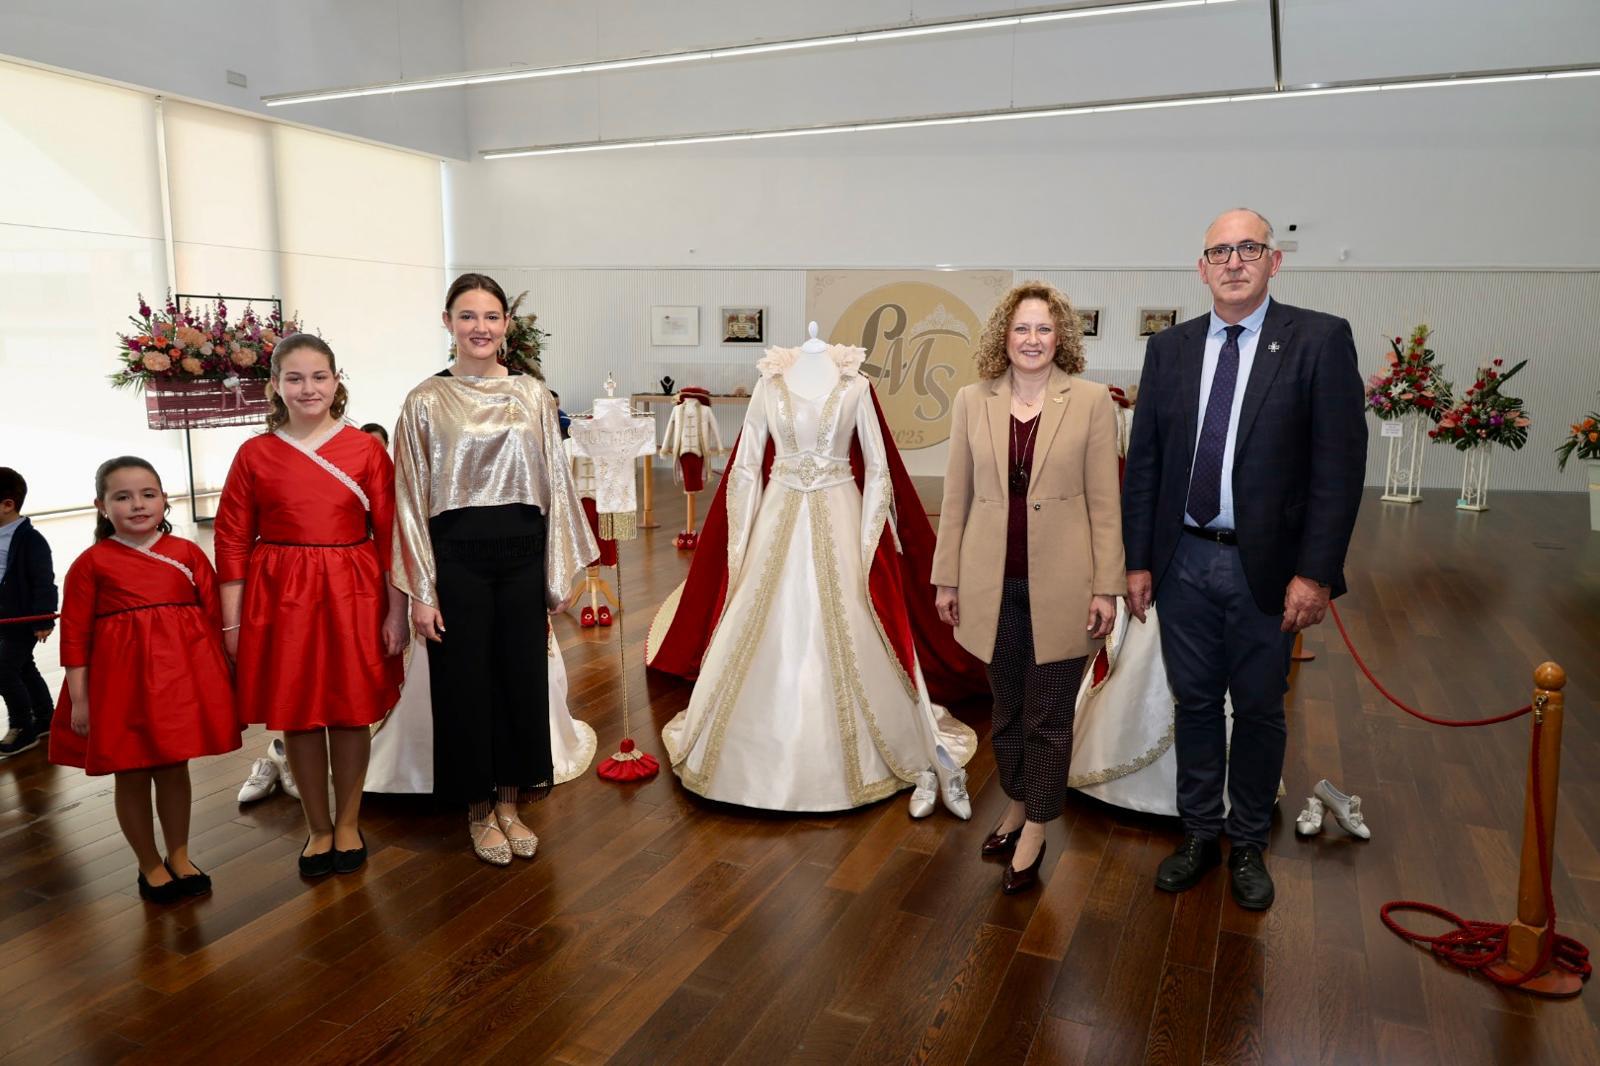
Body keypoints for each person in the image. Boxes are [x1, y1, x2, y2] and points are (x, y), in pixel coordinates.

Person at [1122, 208, 1366, 910]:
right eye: (1220, 252)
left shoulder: (1318, 340)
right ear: (1201, 268)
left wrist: (1315, 574)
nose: (1233, 262)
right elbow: (1146, 464)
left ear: (1274, 261)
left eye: (1248, 249)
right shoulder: (1170, 350)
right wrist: (1138, 561)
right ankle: (1200, 832)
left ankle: (1250, 840)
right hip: (1182, 563)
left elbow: (1338, 471)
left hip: (1269, 571)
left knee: (1259, 710)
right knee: (1196, 704)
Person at [659, 336, 977, 816]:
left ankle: (896, 755)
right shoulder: (770, 382)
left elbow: (878, 467)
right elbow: (745, 466)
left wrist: (870, 538)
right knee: (764, 618)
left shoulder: (855, 383)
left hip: (840, 509)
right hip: (777, 512)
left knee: (851, 621)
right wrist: (740, 540)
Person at [392, 272, 596, 866]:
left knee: (520, 683)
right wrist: (421, 591)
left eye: (490, 316)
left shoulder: (532, 395)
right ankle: (478, 810)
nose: (479, 328)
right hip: (457, 560)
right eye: (467, 316)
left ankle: (510, 802)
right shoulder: (424, 400)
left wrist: (556, 570)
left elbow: (556, 482)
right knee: (464, 687)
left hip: (522, 556)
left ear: (506, 324)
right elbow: (409, 499)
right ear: (448, 322)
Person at [932, 281, 1124, 894]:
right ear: (1004, 336)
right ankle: (1015, 804)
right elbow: (956, 497)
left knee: (1049, 714)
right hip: (990, 585)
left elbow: (1106, 504)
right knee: (1008, 709)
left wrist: (1107, 587)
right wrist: (946, 577)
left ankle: (1037, 827)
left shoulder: (1091, 401)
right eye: (1022, 328)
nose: (1032, 339)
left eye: (1044, 328)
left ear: (1060, 336)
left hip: (1067, 587)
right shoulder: (972, 400)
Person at [215, 334, 407, 878]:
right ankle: (317, 827)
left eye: (319, 377)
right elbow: (231, 540)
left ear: (336, 381)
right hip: (281, 596)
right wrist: (232, 622)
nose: (308, 389)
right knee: (298, 713)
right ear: (275, 385)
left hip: (353, 590)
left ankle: (348, 822)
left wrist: (396, 612)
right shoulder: (254, 454)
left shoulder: (366, 450)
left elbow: (391, 537)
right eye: (294, 378)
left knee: (349, 711)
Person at [47, 457, 239, 902]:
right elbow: (74, 636)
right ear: (101, 506)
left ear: (164, 500)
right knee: (131, 774)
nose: (137, 504)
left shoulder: (187, 554)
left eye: (148, 494)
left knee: (174, 769)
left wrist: (221, 680)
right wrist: (80, 699)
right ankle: (149, 863)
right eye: (123, 497)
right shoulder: (91, 563)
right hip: (120, 689)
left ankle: (180, 854)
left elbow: (213, 619)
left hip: (179, 684)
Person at [0, 468, 57, 757]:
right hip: (3, 618)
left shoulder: (31, 540)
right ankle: (45, 717)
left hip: (23, 619)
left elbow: (43, 581)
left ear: (7, 505)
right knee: (23, 666)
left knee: (3, 670)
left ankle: (22, 726)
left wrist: (43, 617)